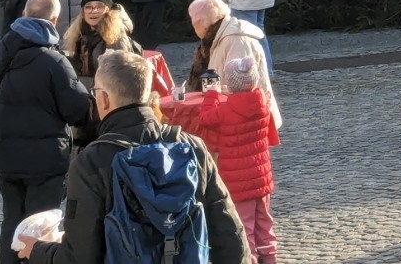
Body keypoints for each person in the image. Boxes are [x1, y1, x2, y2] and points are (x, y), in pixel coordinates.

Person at [21, 50, 249, 263]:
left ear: (104, 98)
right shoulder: (192, 147)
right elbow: (230, 235)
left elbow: (80, 256)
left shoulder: (92, 162)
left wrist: (38, 250)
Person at [0, 0, 92, 264]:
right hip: (45, 159)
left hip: (5, 154)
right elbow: (77, 109)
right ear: (54, 20)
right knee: (42, 224)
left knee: (12, 220)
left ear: (24, 15)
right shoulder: (54, 62)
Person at [200, 55, 280, 264]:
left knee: (245, 227)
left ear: (232, 84)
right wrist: (232, 93)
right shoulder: (262, 101)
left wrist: (212, 94)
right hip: (261, 178)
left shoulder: (225, 110)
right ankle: (270, 257)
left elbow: (205, 118)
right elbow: (244, 102)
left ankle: (250, 259)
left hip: (239, 181)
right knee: (264, 222)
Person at [61, 0, 140, 149]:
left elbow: (118, 76)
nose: (94, 11)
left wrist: (78, 83)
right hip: (88, 103)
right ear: (83, 12)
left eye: (99, 6)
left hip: (109, 103)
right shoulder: (80, 35)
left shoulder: (116, 38)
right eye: (89, 7)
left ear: (108, 10)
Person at [187, 0, 281, 129]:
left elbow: (243, 88)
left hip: (248, 121)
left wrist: (216, 93)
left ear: (202, 24)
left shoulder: (235, 40)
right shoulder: (219, 36)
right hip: (237, 116)